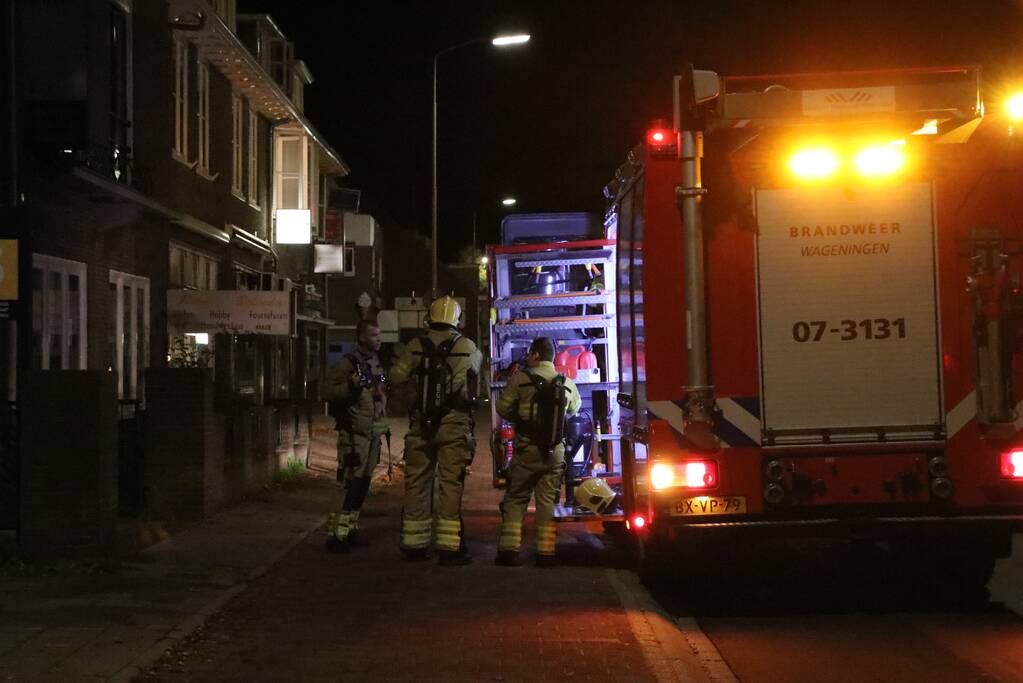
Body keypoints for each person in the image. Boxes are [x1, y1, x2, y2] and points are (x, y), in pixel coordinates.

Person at [389, 296, 482, 566]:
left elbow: (396, 377)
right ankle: (449, 547)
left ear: (430, 317)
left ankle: (414, 545)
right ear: (457, 318)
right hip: (453, 425)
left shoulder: (416, 346)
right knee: (450, 485)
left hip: (420, 425)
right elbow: (471, 383)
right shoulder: (467, 347)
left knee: (417, 482)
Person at [494, 337, 581, 568]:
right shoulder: (566, 382)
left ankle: (509, 551)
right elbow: (574, 409)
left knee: (516, 498)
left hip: (526, 450)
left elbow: (502, 407)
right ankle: (545, 553)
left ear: (535, 355)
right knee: (546, 502)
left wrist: (521, 421)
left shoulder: (520, 380)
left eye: (530, 354)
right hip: (554, 453)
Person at [323, 319, 389, 554]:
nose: (378, 339)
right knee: (348, 483)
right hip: (354, 434)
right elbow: (328, 390)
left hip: (372, 433)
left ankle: (350, 528)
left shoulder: (375, 362)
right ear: (362, 337)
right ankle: (334, 535)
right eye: (374, 335)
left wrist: (380, 390)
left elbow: (380, 384)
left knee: (362, 484)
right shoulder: (347, 363)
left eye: (379, 334)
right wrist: (351, 385)